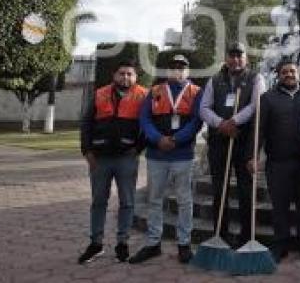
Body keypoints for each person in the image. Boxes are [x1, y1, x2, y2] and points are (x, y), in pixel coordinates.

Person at [129, 54, 203, 264]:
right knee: (154, 199)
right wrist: (158, 139)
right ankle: (153, 243)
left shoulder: (196, 92)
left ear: (187, 71)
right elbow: (144, 119)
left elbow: (197, 121)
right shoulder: (155, 91)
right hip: (156, 154)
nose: (177, 70)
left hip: (182, 155)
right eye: (173, 67)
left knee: (184, 201)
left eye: (182, 67)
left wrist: (177, 139)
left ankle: (184, 244)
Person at [78, 60, 148, 264]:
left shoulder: (143, 96)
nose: (125, 77)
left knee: (127, 202)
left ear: (136, 77)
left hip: (127, 158)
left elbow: (148, 124)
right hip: (100, 158)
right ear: (114, 75)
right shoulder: (100, 94)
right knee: (99, 201)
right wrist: (87, 151)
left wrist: (138, 149)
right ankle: (96, 244)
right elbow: (86, 123)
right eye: (121, 73)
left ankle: (122, 243)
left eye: (129, 74)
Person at [247, 60, 300, 263]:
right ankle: (280, 245)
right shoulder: (267, 99)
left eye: (292, 71)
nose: (289, 75)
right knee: (279, 207)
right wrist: (253, 155)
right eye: (284, 72)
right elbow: (259, 130)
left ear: (299, 73)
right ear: (278, 75)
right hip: (277, 162)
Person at [199, 41, 264, 246]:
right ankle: (221, 234)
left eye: (240, 55)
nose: (236, 59)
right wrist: (221, 124)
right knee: (220, 190)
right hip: (220, 141)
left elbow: (256, 105)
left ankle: (246, 237)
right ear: (227, 58)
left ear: (246, 58)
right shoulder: (215, 80)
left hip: (244, 141)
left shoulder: (256, 78)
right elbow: (204, 108)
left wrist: (234, 121)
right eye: (232, 55)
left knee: (245, 190)